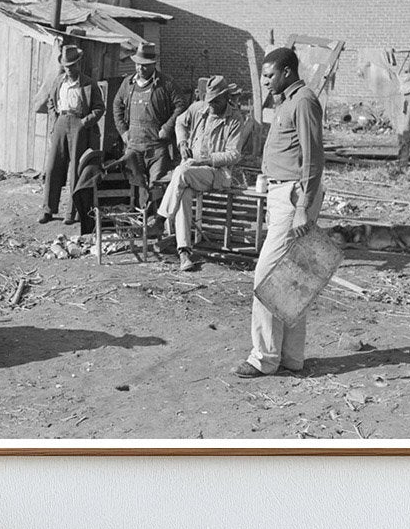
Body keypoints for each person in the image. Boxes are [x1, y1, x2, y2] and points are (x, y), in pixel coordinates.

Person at [232, 47, 325, 378]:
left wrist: (302, 206)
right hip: (282, 194)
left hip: (294, 196)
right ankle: (291, 358)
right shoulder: (286, 102)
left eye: (269, 75)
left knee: (267, 277)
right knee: (292, 277)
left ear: (287, 72)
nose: (265, 81)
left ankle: (264, 357)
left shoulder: (303, 101)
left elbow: (313, 158)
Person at [157, 75, 245, 272]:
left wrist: (205, 160)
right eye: (209, 101)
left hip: (217, 173)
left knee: (181, 172)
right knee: (183, 193)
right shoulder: (198, 108)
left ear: (226, 97)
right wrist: (182, 143)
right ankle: (184, 252)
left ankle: (160, 218)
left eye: (216, 102)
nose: (211, 105)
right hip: (191, 171)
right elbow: (180, 122)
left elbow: (234, 154)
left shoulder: (235, 119)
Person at [112, 42, 189, 212]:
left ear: (154, 64)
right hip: (134, 145)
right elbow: (117, 105)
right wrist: (123, 131)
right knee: (137, 184)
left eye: (145, 65)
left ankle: (156, 220)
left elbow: (181, 105)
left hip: (157, 147)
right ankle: (140, 218)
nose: (140, 68)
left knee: (157, 185)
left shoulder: (166, 84)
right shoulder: (127, 83)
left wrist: (167, 127)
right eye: (138, 64)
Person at [34, 44, 105, 229]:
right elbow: (51, 102)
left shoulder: (89, 83)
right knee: (53, 167)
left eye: (72, 65)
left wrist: (84, 122)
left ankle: (71, 213)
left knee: (75, 170)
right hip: (61, 121)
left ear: (78, 64)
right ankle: (48, 209)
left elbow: (99, 108)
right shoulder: (59, 81)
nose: (69, 69)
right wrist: (55, 119)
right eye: (66, 66)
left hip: (79, 124)